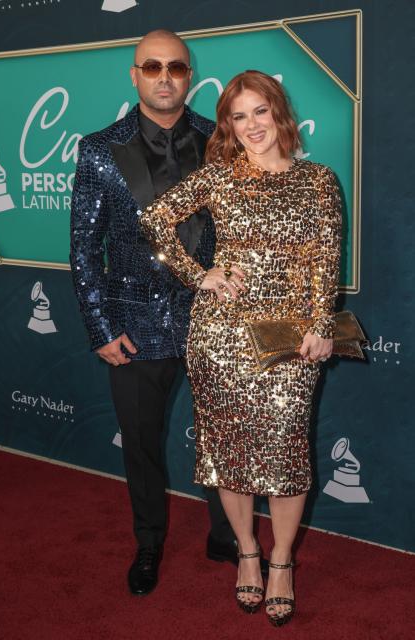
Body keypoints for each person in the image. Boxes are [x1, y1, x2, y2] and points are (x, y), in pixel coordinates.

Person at [140, 70, 341, 626]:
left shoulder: (319, 181)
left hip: (290, 339)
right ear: (228, 124)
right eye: (238, 115)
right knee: (228, 452)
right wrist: (197, 273)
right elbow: (154, 219)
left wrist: (321, 324)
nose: (251, 125)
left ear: (280, 112)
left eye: (260, 111)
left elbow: (325, 260)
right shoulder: (221, 177)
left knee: (285, 452)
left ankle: (281, 561)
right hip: (220, 334)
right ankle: (247, 553)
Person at [70, 30, 248, 597]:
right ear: (135, 75)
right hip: (134, 326)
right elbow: (83, 247)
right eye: (152, 66)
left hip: (214, 320)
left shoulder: (222, 140)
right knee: (141, 444)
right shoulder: (99, 149)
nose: (165, 76)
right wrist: (101, 326)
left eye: (176, 66)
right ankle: (149, 542)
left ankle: (229, 535)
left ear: (190, 75)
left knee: (225, 438)